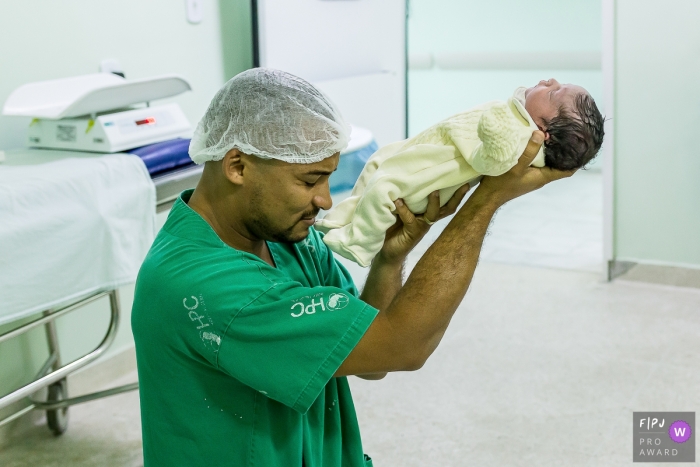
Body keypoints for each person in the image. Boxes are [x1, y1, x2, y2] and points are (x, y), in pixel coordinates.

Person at [131, 68, 575, 467]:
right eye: (309, 181)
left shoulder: (287, 241)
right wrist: (485, 202)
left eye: (327, 178)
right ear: (237, 165)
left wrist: (390, 259)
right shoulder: (206, 286)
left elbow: (370, 361)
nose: (325, 200)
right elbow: (402, 347)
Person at [316, 79, 604, 266]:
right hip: (424, 151)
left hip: (431, 172)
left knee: (383, 188)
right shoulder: (520, 118)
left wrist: (495, 139)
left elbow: (494, 162)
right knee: (377, 161)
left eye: (553, 92)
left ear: (544, 131)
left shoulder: (523, 138)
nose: (549, 81)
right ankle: (343, 218)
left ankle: (360, 243)